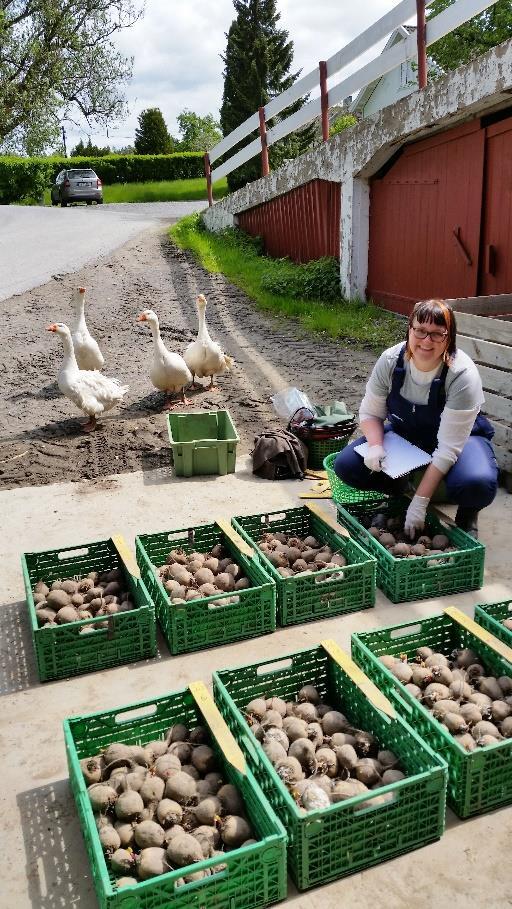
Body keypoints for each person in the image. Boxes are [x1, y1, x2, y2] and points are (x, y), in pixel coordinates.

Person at [333, 299, 498, 539]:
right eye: (420, 330)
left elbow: (448, 449)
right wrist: (376, 446)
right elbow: (370, 414)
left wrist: (420, 503)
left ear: (449, 337)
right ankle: (396, 496)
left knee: (477, 482)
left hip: (460, 443)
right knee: (347, 465)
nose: (426, 340)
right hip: (407, 435)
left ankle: (468, 515)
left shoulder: (461, 374)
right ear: (409, 328)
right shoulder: (390, 361)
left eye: (437, 334)